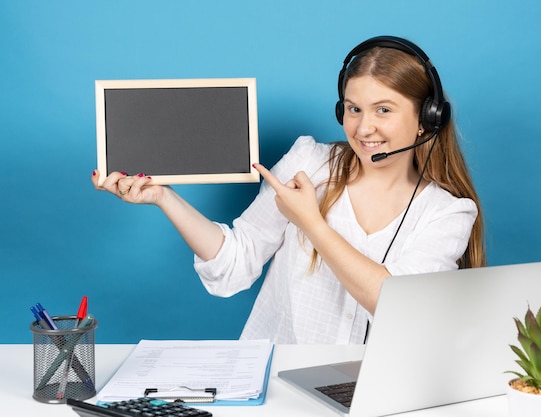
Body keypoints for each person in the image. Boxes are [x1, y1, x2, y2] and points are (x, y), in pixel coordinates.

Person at [92, 36, 486, 344]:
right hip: (278, 387)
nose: (364, 129)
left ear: (426, 119)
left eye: (383, 110)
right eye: (353, 109)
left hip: (377, 396)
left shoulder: (448, 213)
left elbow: (397, 305)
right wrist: (164, 197)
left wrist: (311, 224)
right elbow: (234, 262)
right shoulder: (309, 162)